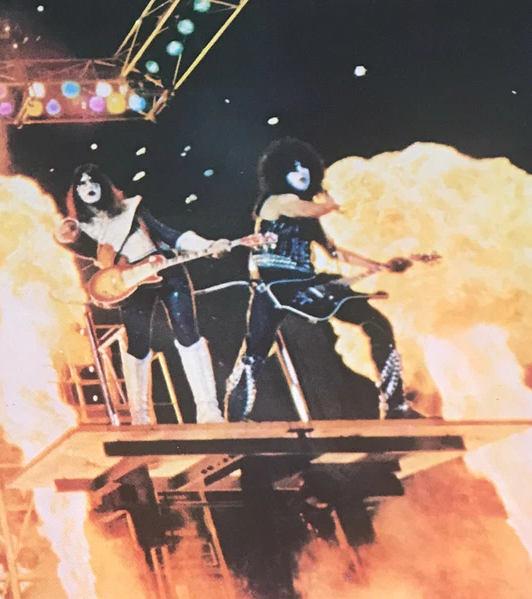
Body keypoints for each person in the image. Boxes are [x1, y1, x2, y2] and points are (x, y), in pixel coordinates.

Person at [225, 138, 419, 422]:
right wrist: (327, 205)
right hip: (274, 289)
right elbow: (302, 208)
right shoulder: (276, 202)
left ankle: (395, 406)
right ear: (280, 174)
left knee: (378, 324)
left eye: (305, 167)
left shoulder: (309, 215)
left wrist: (378, 266)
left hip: (306, 285)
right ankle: (234, 417)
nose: (301, 172)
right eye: (294, 168)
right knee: (255, 350)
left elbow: (335, 252)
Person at [58, 164, 230, 424]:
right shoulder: (83, 229)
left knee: (187, 333)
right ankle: (140, 418)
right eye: (82, 184)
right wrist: (67, 231)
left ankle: (209, 411)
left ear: (104, 185)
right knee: (137, 345)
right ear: (75, 192)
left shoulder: (131, 209)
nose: (89, 187)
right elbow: (69, 240)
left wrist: (208, 245)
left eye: (93, 181)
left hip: (165, 269)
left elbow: (169, 235)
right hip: (131, 283)